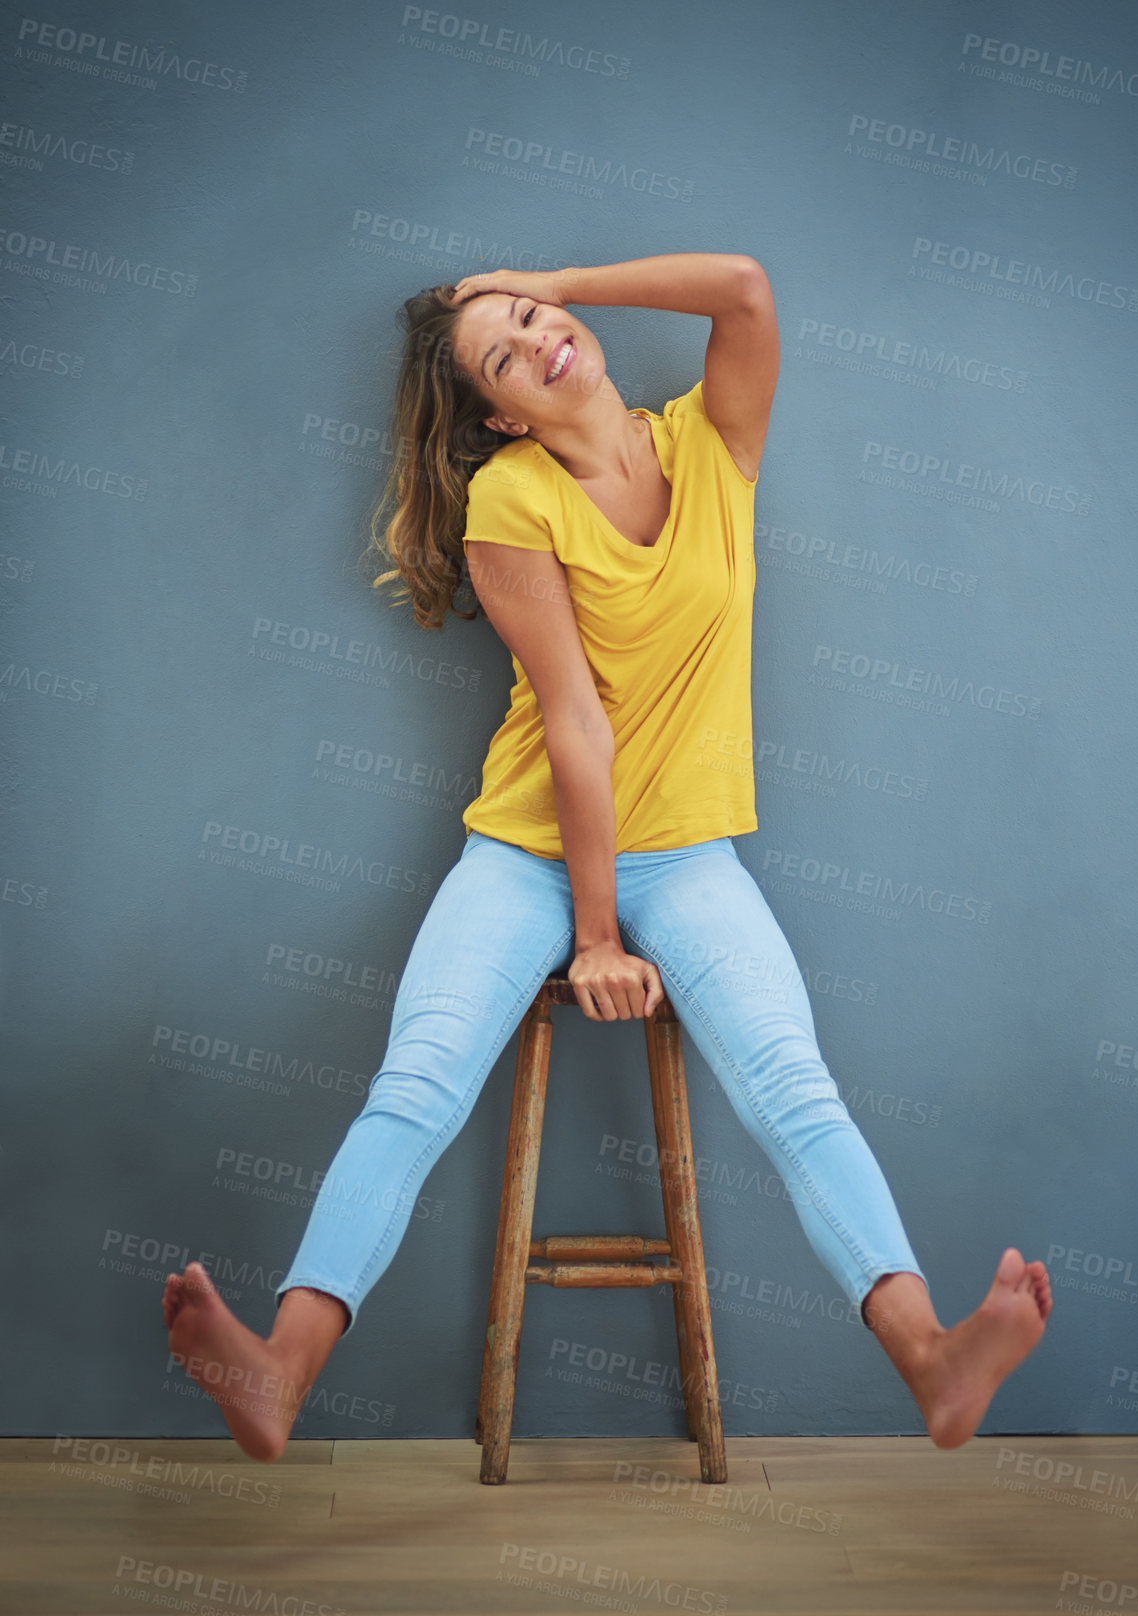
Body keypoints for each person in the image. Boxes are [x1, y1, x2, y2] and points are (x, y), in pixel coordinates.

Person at [161, 254, 1052, 1464]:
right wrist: (592, 932)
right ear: (497, 413)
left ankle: (933, 1357)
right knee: (416, 1084)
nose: (539, 345)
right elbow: (575, 724)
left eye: (536, 320)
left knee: (794, 1086)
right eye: (503, 358)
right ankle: (279, 1372)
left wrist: (549, 272)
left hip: (687, 853)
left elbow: (741, 286)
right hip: (526, 850)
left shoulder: (710, 443)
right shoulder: (512, 500)